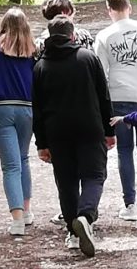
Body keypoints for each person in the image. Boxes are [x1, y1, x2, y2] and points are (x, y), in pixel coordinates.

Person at [32, 15, 115, 256]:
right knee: (94, 176)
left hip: (57, 132)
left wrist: (41, 143)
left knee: (66, 181)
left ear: (49, 36)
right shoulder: (88, 58)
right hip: (90, 127)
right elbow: (103, 95)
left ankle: (72, 231)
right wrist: (109, 130)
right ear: (73, 35)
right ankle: (85, 216)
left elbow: (37, 108)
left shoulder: (40, 66)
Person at [93, 0, 137, 215]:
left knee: (124, 150)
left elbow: (100, 72)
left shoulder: (104, 36)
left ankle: (130, 204)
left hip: (118, 95)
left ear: (109, 10)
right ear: (129, 7)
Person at [0, 9, 38, 235]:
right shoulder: (32, 51)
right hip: (27, 107)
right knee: (23, 158)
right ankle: (27, 211)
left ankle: (17, 220)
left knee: (10, 165)